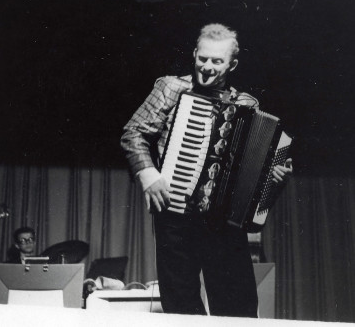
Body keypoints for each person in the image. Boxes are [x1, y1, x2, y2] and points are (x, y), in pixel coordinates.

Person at [120, 23, 293, 317]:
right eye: (203, 59)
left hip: (224, 224)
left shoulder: (247, 104)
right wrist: (148, 175)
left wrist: (274, 181)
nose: (208, 68)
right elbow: (133, 133)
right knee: (181, 305)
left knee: (239, 307)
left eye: (217, 61)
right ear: (194, 54)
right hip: (176, 215)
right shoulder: (171, 87)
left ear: (232, 64)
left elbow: (256, 178)